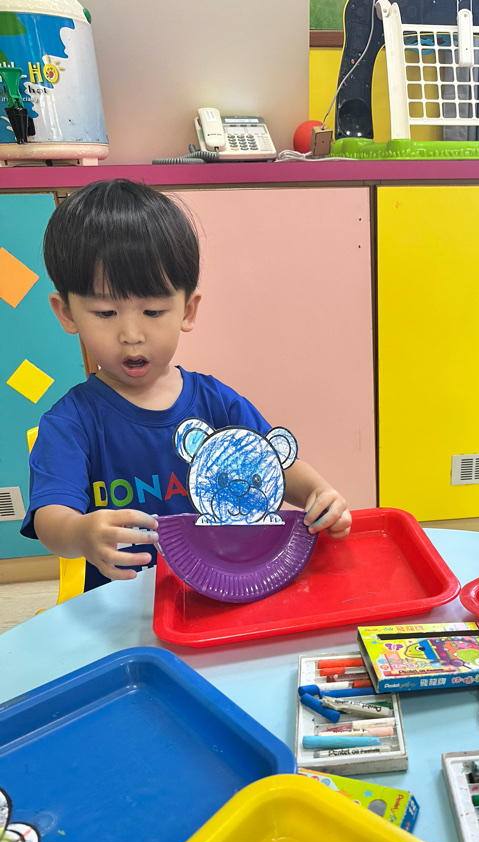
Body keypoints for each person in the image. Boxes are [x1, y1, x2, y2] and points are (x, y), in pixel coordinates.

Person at [21, 179, 352, 590]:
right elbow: (51, 518)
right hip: (127, 601)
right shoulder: (71, 423)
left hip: (221, 585)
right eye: (105, 313)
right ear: (67, 313)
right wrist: (80, 533)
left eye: (153, 312)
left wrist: (320, 493)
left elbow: (279, 466)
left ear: (187, 310)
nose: (131, 335)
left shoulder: (217, 403)